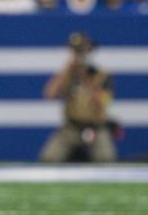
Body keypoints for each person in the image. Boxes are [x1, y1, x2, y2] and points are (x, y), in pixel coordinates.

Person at [39, 32, 117, 163]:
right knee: (49, 158)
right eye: (76, 51)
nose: (80, 55)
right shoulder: (67, 75)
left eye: (82, 51)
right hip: (71, 128)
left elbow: (104, 103)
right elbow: (49, 94)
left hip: (95, 128)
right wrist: (67, 69)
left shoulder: (100, 75)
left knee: (106, 159)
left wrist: (88, 80)